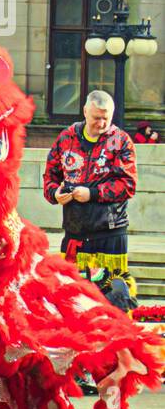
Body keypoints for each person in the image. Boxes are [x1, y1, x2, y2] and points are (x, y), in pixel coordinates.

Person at [43, 89, 137, 287]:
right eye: (96, 117)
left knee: (111, 295)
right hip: (74, 232)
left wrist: (92, 194)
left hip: (109, 232)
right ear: (85, 111)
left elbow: (128, 185)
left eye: (106, 118)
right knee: (73, 297)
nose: (101, 124)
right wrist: (55, 193)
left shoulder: (120, 141)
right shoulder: (66, 138)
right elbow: (50, 177)